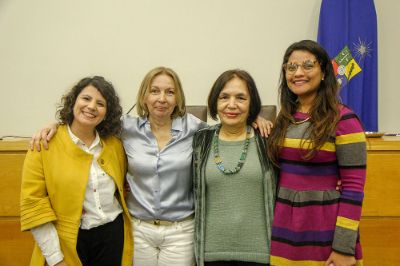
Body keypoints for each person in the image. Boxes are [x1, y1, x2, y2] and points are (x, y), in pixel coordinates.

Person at [29, 67, 272, 266]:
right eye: (154, 91)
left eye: (169, 92)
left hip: (181, 231)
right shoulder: (125, 129)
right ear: (144, 95)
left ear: (178, 98)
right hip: (139, 229)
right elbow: (90, 121)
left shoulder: (195, 129)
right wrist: (56, 125)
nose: (161, 99)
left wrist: (253, 118)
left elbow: (228, 126)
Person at [267, 40, 366, 266]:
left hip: (325, 233)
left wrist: (343, 248)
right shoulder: (285, 118)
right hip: (284, 231)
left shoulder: (344, 119)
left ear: (323, 73)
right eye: (291, 67)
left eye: (308, 65)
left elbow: (353, 189)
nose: (298, 73)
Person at [20, 76, 133, 266]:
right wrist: (56, 259)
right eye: (86, 98)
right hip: (67, 241)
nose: (91, 107)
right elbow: (34, 204)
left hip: (113, 236)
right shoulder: (44, 145)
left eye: (100, 103)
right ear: (73, 101)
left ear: (107, 113)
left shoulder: (115, 145)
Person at [192, 69, 277, 266]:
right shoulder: (200, 140)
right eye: (224, 97)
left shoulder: (268, 140)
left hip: (261, 255)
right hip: (210, 254)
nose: (232, 105)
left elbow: (295, 177)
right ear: (215, 102)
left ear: (252, 103)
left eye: (241, 98)